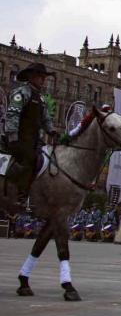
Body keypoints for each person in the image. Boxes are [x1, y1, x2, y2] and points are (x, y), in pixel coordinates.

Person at [2, 63, 60, 213]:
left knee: (43, 161)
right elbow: (13, 114)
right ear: (31, 77)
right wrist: (13, 137)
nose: (43, 81)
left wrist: (52, 131)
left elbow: (46, 119)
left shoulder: (41, 99)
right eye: (41, 77)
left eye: (44, 78)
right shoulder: (21, 93)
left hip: (34, 140)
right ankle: (16, 194)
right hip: (18, 138)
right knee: (28, 158)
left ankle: (30, 195)